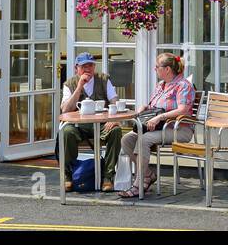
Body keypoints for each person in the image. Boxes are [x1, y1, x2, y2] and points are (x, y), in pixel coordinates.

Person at [119, 53, 195, 199]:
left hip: (179, 129)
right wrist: (144, 107)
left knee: (144, 139)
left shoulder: (183, 85)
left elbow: (183, 110)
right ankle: (148, 175)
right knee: (127, 139)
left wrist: (160, 117)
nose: (155, 69)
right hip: (159, 127)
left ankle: (138, 184)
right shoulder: (161, 85)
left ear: (167, 69)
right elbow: (155, 107)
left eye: (157, 67)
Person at [58, 52, 122, 192]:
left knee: (116, 131)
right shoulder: (69, 84)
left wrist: (115, 119)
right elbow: (65, 109)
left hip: (101, 124)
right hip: (78, 126)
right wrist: (79, 86)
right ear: (76, 68)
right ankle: (68, 175)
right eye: (84, 66)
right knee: (66, 132)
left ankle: (108, 176)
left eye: (90, 65)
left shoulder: (103, 79)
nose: (88, 69)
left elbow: (114, 101)